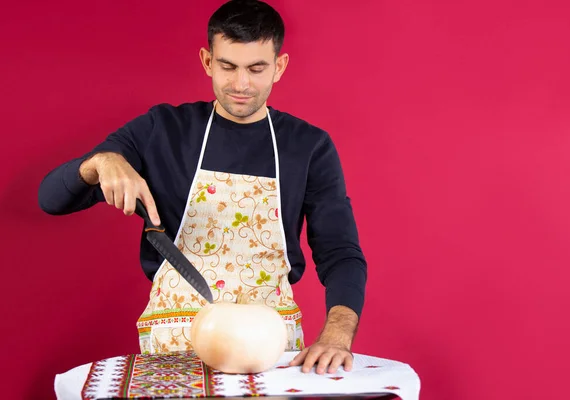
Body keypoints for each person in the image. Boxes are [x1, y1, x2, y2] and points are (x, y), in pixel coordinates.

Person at [38, 0, 367, 375]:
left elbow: (340, 252)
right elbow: (50, 200)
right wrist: (99, 163)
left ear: (280, 67)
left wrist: (337, 335)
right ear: (208, 61)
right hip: (174, 349)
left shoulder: (308, 146)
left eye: (256, 68)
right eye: (228, 66)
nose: (241, 84)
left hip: (268, 351)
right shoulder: (161, 130)